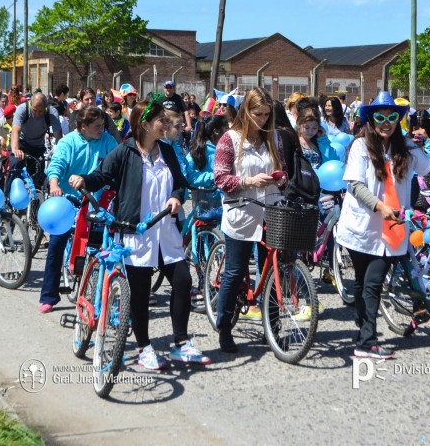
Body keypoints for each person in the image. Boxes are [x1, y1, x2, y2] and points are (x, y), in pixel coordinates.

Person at [73, 100, 211, 368]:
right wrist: (83, 180)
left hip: (166, 230)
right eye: (161, 119)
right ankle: (145, 347)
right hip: (136, 233)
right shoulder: (125, 151)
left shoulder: (167, 152)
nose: (167, 123)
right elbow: (101, 176)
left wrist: (176, 197)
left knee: (182, 281)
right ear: (145, 124)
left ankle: (180, 344)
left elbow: (180, 184)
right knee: (139, 292)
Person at [336, 92, 430, 358]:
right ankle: (365, 333)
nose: (386, 122)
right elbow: (355, 185)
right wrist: (380, 206)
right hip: (362, 226)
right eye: (380, 117)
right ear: (371, 120)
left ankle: (366, 341)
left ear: (399, 119)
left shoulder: (406, 147)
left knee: (373, 282)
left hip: (393, 228)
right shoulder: (360, 147)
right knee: (363, 283)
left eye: (392, 117)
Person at [213, 87, 288, 353]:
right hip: (241, 211)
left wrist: (280, 178)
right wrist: (248, 181)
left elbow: (284, 172)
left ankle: (274, 326)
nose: (263, 119)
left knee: (272, 271)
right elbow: (220, 179)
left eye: (267, 114)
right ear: (247, 111)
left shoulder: (274, 138)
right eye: (258, 114)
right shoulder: (229, 139)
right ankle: (224, 326)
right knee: (234, 271)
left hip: (271, 209)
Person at [38, 105, 118, 312]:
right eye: (97, 126)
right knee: (57, 243)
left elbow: (116, 165)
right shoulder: (68, 142)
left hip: (97, 201)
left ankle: (102, 293)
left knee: (101, 247)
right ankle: (48, 295)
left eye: (103, 125)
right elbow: (57, 165)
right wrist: (54, 184)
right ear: (82, 127)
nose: (102, 129)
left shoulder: (108, 141)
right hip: (68, 200)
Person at [9, 92, 64, 190]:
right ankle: (8, 195)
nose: (37, 114)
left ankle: (36, 200)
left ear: (46, 107)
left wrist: (61, 153)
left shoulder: (51, 112)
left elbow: (58, 136)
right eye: (35, 110)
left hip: (37, 146)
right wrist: (16, 149)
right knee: (15, 164)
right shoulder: (22, 109)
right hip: (21, 143)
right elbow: (15, 131)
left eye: (41, 111)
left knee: (38, 174)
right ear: (31, 104)